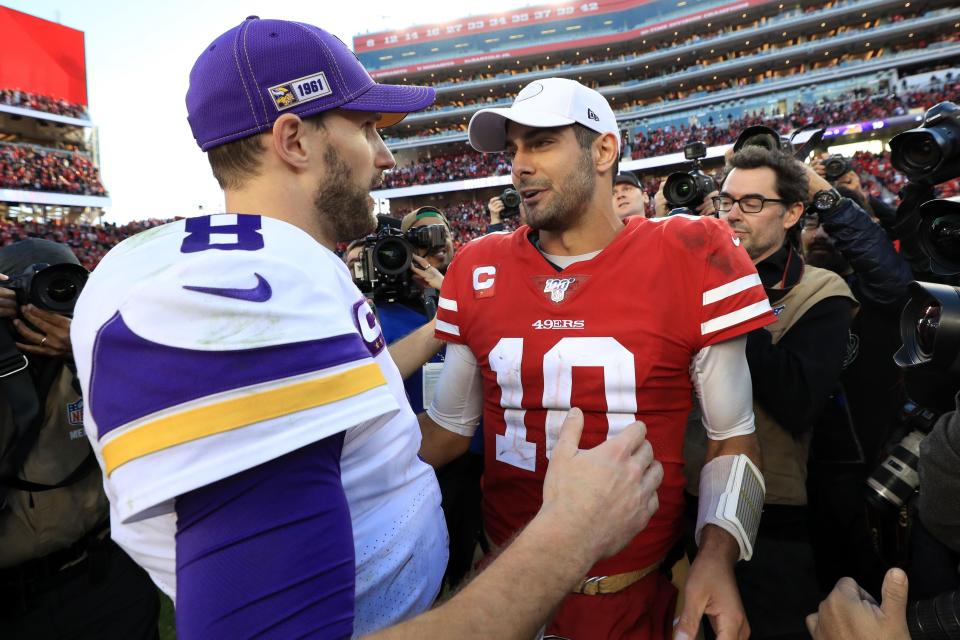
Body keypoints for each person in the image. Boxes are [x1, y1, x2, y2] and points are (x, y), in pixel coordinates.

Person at [69, 17, 663, 639]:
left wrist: (441, 328)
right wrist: (570, 535)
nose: (385, 156)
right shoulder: (239, 302)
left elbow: (348, 417)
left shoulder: (277, 267)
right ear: (294, 140)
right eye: (367, 129)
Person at [420, 77, 776, 640]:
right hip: (501, 592)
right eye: (512, 149)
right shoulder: (476, 264)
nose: (519, 165)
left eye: (540, 143)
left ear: (604, 150)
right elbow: (446, 432)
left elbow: (732, 436)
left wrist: (716, 553)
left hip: (637, 594)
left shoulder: (692, 249)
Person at [686, 146, 859, 639]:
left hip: (773, 515)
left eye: (753, 203)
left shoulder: (822, 292)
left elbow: (797, 399)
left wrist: (734, 298)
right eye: (726, 201)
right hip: (683, 499)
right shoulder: (694, 280)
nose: (733, 213)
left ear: (793, 213)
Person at [0, 239, 159, 639]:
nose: (55, 295)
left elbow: (161, 419)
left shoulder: (103, 349)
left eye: (67, 282)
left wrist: (88, 354)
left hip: (102, 576)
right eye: (35, 284)